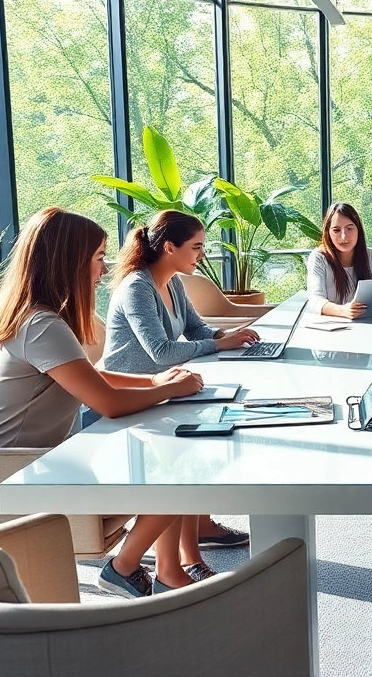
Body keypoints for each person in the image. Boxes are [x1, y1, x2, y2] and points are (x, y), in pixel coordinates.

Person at [0, 207, 209, 598]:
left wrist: (153, 380)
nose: (104, 270)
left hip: (50, 455)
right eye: (98, 258)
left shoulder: (42, 317)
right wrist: (169, 389)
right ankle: (123, 567)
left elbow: (88, 375)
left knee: (176, 455)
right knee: (180, 469)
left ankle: (148, 567)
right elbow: (109, 403)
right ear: (68, 261)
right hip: (20, 469)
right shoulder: (41, 325)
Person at [102, 209, 260, 550]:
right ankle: (192, 539)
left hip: (164, 389)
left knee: (215, 423)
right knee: (197, 443)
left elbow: (196, 329)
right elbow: (161, 352)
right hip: (131, 395)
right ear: (170, 247)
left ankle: (199, 526)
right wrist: (218, 344)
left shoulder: (172, 281)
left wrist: (230, 336)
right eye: (196, 247)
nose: (202, 256)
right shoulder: (137, 287)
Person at [306, 202, 372, 318]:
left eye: (349, 228)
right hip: (333, 329)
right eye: (336, 230)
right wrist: (342, 310)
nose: (344, 237)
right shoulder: (319, 258)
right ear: (328, 233)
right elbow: (315, 300)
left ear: (358, 230)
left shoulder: (371, 256)